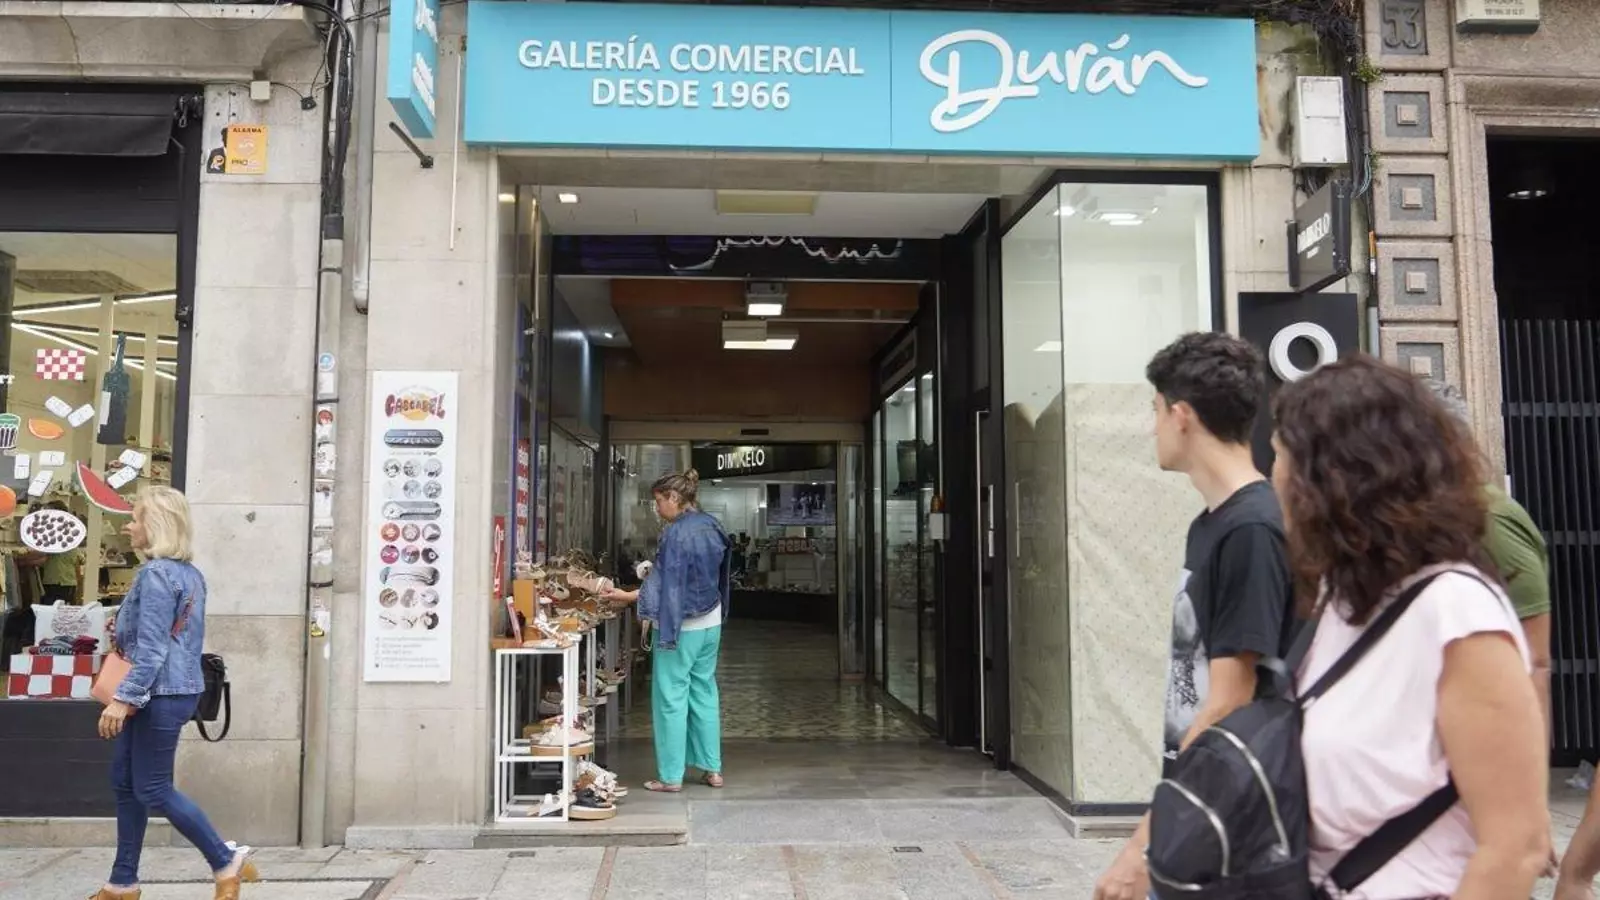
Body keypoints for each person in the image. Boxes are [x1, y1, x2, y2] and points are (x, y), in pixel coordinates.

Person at [1273, 356, 1549, 898]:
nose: (1271, 477)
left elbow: (1515, 848)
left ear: (1333, 479)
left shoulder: (1456, 614)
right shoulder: (1343, 602)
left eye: (1280, 457)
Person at [1094, 332, 1296, 900]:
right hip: (1204, 803)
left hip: (1235, 818)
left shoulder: (1252, 530)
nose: (1151, 428)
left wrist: (1143, 845)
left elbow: (1231, 699)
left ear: (1181, 416)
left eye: (1155, 410)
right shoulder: (1212, 524)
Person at [93, 487, 256, 900]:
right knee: (125, 782)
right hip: (169, 690)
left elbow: (152, 650)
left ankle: (225, 859)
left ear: (156, 525)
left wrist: (123, 698)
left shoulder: (156, 575)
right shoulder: (189, 574)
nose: (129, 526)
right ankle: (122, 882)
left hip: (157, 694)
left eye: (135, 518)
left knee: (152, 788)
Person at [602, 468, 730, 793]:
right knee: (704, 692)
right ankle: (713, 769)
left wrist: (627, 596)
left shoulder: (674, 534)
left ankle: (671, 776)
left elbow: (666, 587)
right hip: (711, 621)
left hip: (679, 625)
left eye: (659, 501)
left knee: (671, 697)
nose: (657, 509)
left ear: (674, 498)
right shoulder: (713, 525)